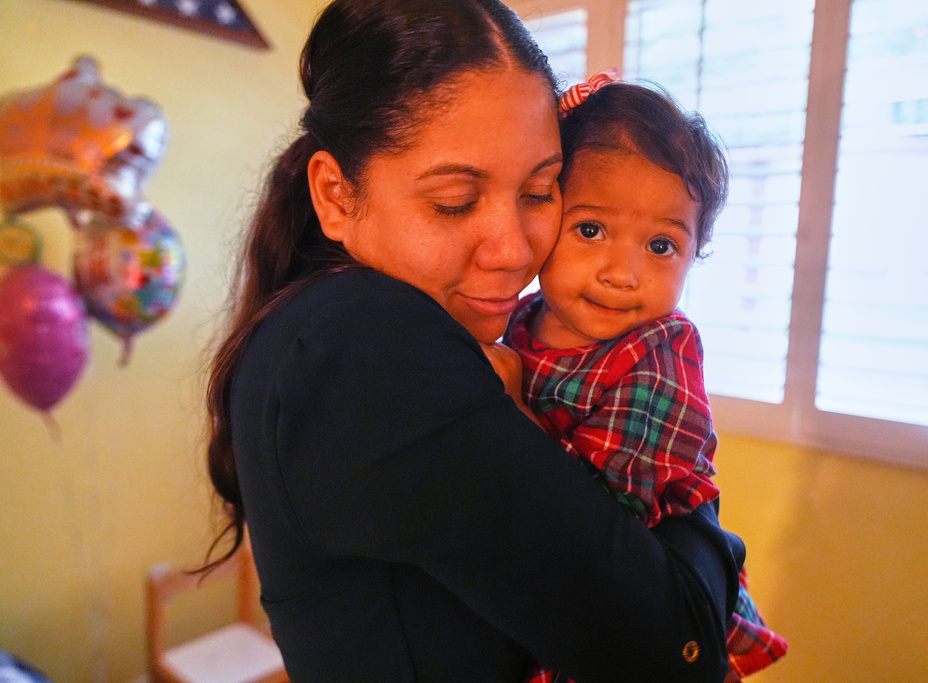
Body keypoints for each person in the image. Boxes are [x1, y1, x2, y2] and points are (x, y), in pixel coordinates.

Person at [204, 1, 746, 680]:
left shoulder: (321, 324)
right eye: (455, 200)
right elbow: (672, 649)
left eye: (541, 190)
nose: (515, 250)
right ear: (337, 195)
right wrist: (699, 510)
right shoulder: (362, 343)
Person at [500, 74, 789, 682]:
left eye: (661, 245)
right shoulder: (519, 318)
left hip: (646, 605)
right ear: (541, 215)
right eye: (591, 230)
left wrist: (507, 412)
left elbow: (606, 522)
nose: (623, 273)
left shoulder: (661, 353)